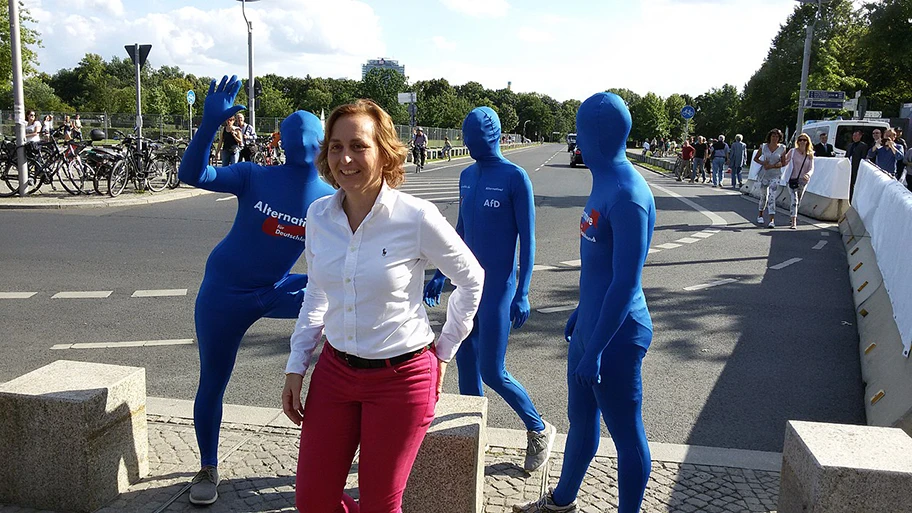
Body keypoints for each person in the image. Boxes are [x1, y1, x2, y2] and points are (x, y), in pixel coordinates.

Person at [283, 99, 484, 513]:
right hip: (336, 373)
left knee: (379, 504)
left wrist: (444, 352)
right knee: (313, 501)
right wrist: (296, 365)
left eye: (359, 146)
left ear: (384, 151)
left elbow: (471, 279)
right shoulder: (319, 216)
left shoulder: (416, 217)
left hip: (401, 379)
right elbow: (317, 294)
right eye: (336, 147)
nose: (346, 158)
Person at [177, 75, 336, 506]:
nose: (302, 143)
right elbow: (191, 174)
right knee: (213, 378)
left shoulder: (329, 200)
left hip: (277, 288)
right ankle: (208, 465)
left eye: (311, 137)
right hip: (224, 294)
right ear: (278, 142)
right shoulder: (252, 176)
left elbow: (350, 257)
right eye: (293, 135)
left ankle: (337, 447)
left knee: (347, 304)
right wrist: (210, 124)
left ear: (322, 143)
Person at [514, 92, 655, 513]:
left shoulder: (628, 195)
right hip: (591, 326)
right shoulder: (604, 180)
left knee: (628, 437)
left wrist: (595, 349)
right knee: (582, 421)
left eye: (579, 128)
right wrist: (581, 311)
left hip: (616, 336)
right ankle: (561, 502)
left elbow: (627, 282)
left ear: (595, 134)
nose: (576, 136)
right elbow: (600, 268)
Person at [424, 107, 555, 473]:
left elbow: (527, 242)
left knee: (493, 371)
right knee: (464, 362)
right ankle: (473, 437)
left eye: (474, 138)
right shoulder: (467, 175)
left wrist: (523, 291)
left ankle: (538, 428)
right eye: (466, 138)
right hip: (466, 288)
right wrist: (439, 274)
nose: (468, 144)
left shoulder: (515, 178)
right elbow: (460, 232)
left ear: (492, 136)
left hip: (498, 289)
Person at [754, 128, 787, 228]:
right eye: (773, 136)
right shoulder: (763, 147)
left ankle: (772, 220)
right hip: (764, 175)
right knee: (764, 196)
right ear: (770, 137)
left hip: (775, 174)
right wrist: (763, 163)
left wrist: (774, 166)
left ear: (779, 138)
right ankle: (760, 214)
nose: (775, 138)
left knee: (772, 197)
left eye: (777, 136)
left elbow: (784, 162)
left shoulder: (782, 148)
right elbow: (756, 158)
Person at [786, 133, 815, 229]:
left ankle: (792, 215)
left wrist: (808, 174)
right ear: (797, 142)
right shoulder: (793, 152)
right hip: (792, 179)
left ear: (807, 142)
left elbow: (811, 168)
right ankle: (793, 222)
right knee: (794, 200)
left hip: (803, 181)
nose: (802, 142)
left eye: (804, 140)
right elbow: (785, 161)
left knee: (799, 200)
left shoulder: (810, 154)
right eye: (800, 140)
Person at [845, 129, 869, 202]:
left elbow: (863, 158)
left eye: (856, 135)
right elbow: (847, 155)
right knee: (849, 183)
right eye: (853, 136)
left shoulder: (863, 146)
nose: (854, 137)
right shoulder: (850, 145)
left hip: (857, 167)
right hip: (849, 167)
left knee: (856, 183)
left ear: (860, 136)